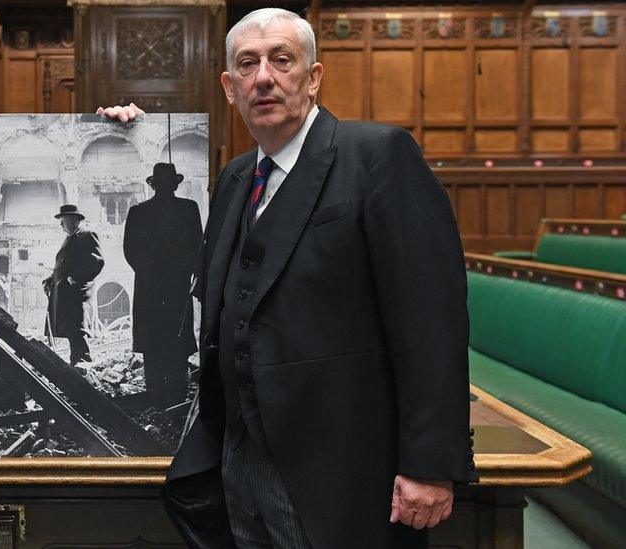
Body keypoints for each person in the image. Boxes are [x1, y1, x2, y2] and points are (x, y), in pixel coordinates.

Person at [99, 8, 476, 548]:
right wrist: (107, 129)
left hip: (337, 467)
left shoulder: (376, 157)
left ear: (313, 76)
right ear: (230, 88)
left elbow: (431, 319)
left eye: (282, 60)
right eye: (247, 65)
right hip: (238, 461)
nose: (264, 77)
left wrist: (430, 463)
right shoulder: (234, 178)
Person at [123, 162, 202, 407]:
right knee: (174, 339)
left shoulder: (138, 211)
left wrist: (148, 272)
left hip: (149, 288)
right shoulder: (189, 209)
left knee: (153, 340)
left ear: (153, 184)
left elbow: (130, 250)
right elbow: (199, 246)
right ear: (174, 184)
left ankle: (157, 396)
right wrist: (187, 273)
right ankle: (175, 396)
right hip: (176, 286)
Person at [43, 204, 105, 366]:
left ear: (74, 220)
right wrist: (52, 278)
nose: (61, 225)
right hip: (67, 294)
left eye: (63, 221)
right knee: (72, 331)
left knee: (76, 331)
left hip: (76, 294)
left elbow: (96, 261)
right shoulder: (70, 238)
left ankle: (82, 367)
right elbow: (64, 266)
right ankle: (77, 366)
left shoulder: (86, 235)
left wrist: (74, 278)